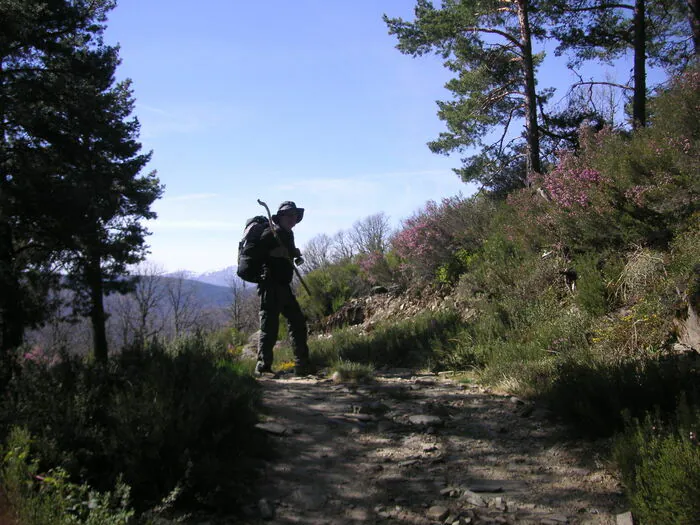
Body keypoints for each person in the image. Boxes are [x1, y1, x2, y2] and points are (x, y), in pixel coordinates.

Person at [253, 201, 311, 377]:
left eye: (294, 215)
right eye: (289, 215)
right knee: (269, 327)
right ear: (281, 217)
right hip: (270, 287)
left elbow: (287, 254)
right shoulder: (271, 233)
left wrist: (294, 253)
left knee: (298, 322)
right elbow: (258, 254)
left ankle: (302, 365)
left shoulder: (288, 234)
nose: (293, 218)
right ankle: (263, 368)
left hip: (284, 287)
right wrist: (272, 254)